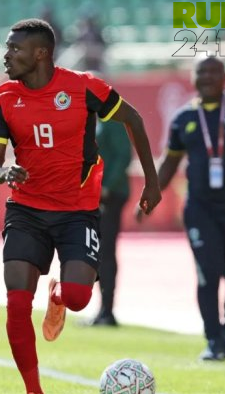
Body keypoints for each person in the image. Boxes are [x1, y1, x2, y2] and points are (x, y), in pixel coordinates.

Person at [0, 19, 161, 394]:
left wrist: (152, 180)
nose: (6, 55)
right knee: (17, 303)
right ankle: (33, 390)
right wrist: (3, 172)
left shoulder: (83, 87)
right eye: (7, 48)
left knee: (79, 298)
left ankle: (59, 297)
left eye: (14, 49)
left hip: (77, 210)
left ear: (41, 53)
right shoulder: (2, 98)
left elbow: (133, 118)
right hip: (26, 210)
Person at [138, 57, 225, 362]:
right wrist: (150, 194)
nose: (207, 77)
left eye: (214, 72)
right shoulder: (184, 117)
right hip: (202, 209)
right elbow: (170, 162)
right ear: (193, 77)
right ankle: (213, 339)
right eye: (202, 72)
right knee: (207, 273)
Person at [90, 117, 132, 326]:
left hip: (108, 195)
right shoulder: (94, 120)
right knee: (96, 250)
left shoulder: (111, 120)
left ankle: (107, 311)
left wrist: (107, 186)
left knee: (104, 250)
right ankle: (102, 310)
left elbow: (124, 155)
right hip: (94, 195)